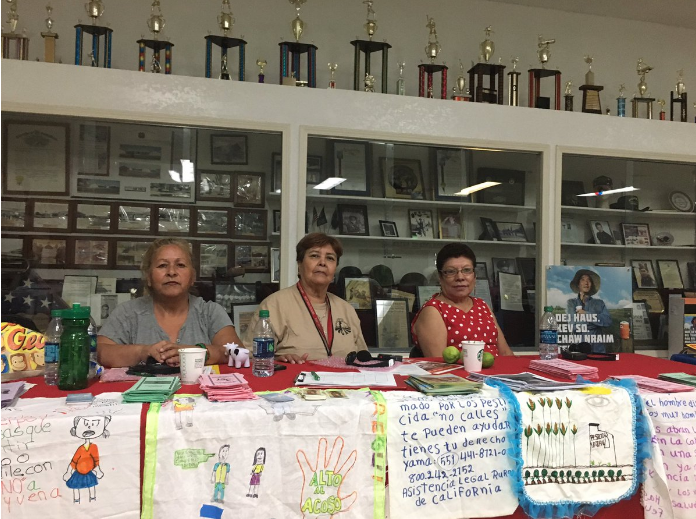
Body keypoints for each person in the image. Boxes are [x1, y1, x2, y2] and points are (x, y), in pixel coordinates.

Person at [98, 238, 241, 368]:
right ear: (148, 277)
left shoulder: (210, 312)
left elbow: (238, 353)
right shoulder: (128, 313)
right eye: (162, 265)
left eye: (180, 265)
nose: (171, 272)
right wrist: (143, 352)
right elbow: (100, 352)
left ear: (192, 277)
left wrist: (196, 353)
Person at [244, 233, 367, 363]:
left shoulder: (346, 309)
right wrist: (277, 360)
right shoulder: (274, 305)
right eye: (314, 256)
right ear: (299, 264)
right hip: (293, 382)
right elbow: (250, 358)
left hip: (346, 382)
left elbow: (363, 358)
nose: (323, 263)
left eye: (330, 258)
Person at [411, 243, 515, 358]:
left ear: (474, 276)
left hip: (499, 374)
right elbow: (439, 365)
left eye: (466, 270)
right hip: (457, 375)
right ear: (440, 278)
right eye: (451, 271)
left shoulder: (482, 305)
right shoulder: (433, 311)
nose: (460, 277)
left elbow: (506, 353)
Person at [566, 269, 613, 352]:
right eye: (583, 279)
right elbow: (573, 326)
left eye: (589, 280)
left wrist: (586, 314)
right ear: (578, 284)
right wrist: (596, 323)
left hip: (598, 349)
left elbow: (608, 321)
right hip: (579, 349)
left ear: (591, 285)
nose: (586, 283)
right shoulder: (571, 303)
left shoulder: (599, 303)